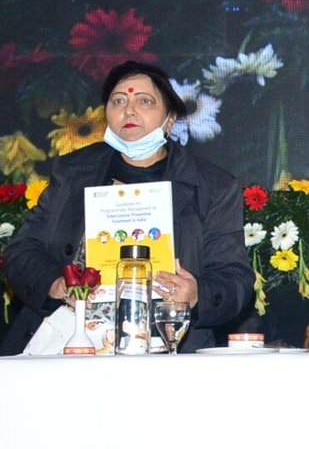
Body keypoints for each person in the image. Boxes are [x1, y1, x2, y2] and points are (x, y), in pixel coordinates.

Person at [0, 61, 251, 355]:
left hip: (169, 342)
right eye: (118, 101)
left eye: (144, 101)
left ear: (170, 119)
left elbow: (236, 280)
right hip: (73, 340)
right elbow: (22, 251)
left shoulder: (214, 186)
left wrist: (197, 294)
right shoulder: (72, 172)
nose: (129, 111)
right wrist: (56, 284)